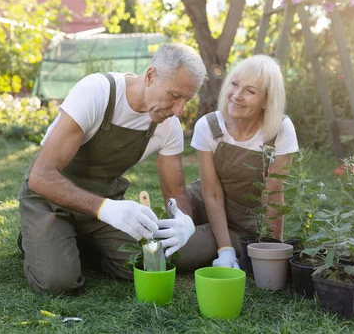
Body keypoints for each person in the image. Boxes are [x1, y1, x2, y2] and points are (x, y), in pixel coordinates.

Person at [18, 43, 207, 295]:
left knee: (145, 264)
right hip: (50, 199)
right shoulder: (98, 93)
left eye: (187, 100)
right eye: (174, 96)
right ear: (150, 76)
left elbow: (176, 193)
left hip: (103, 207)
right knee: (58, 282)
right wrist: (105, 208)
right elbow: (40, 177)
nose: (178, 110)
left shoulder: (168, 126)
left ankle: (71, 242)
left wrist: (185, 220)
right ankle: (36, 238)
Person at [175, 55, 299, 270]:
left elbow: (273, 193)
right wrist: (225, 250)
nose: (236, 96)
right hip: (202, 201)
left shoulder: (279, 131)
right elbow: (211, 192)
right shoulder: (209, 126)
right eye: (234, 84)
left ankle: (209, 237)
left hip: (241, 223)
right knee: (159, 236)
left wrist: (272, 250)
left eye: (250, 91)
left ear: (267, 100)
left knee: (179, 254)